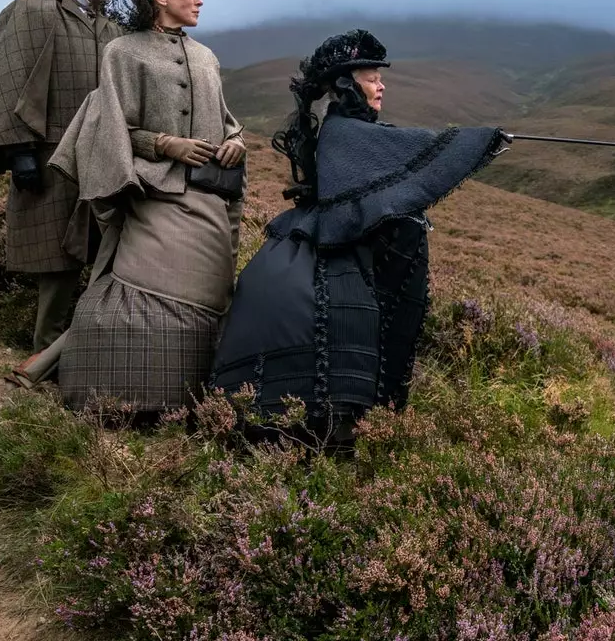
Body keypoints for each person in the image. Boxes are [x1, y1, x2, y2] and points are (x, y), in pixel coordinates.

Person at [208, 29, 509, 455]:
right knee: (341, 324)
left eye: (380, 78)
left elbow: (396, 151)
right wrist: (481, 139)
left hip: (330, 241)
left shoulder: (350, 129)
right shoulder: (346, 132)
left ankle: (333, 431)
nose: (381, 84)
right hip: (334, 251)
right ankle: (331, 434)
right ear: (348, 85)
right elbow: (412, 148)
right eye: (371, 78)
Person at [30, 0, 247, 415]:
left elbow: (228, 120)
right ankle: (122, 394)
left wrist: (233, 142)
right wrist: (164, 144)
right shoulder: (123, 54)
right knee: (136, 295)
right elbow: (109, 128)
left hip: (209, 204)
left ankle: (198, 397)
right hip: (154, 199)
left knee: (213, 297)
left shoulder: (208, 58)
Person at [0, 0, 123, 357]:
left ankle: (91, 348)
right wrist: (20, 151)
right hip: (48, 154)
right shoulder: (31, 11)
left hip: (103, 155)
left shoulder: (112, 27)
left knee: (107, 252)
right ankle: (44, 352)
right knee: (57, 259)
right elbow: (6, 77)